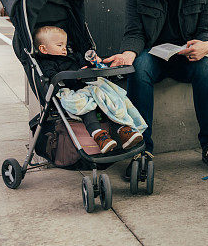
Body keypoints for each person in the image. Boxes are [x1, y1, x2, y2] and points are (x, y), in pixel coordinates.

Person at [103, 0, 208, 174]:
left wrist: (206, 45)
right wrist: (129, 53)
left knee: (206, 70)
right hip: (154, 57)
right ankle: (141, 150)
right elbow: (134, 32)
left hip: (187, 58)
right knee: (139, 66)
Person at [34, 25, 143, 153]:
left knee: (108, 99)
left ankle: (124, 130)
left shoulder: (74, 56)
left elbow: (86, 65)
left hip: (89, 88)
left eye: (65, 45)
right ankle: (100, 137)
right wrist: (76, 76)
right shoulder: (47, 63)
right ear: (44, 49)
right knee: (86, 106)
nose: (64, 49)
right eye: (59, 46)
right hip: (70, 92)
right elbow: (54, 78)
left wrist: (93, 63)